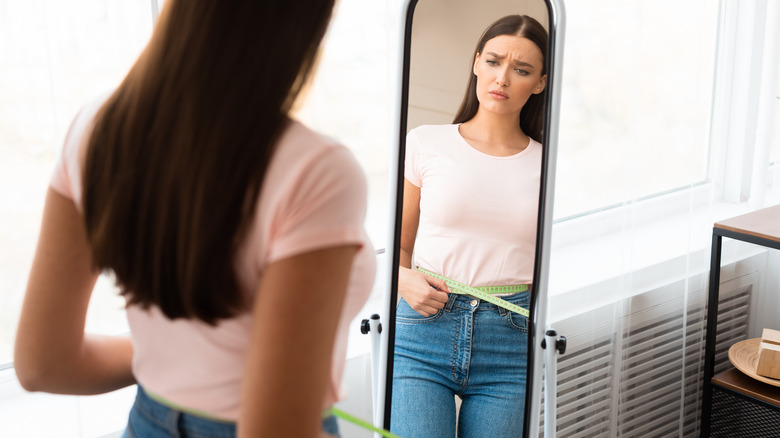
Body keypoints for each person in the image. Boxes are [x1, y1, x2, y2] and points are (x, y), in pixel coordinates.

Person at [13, 1, 375, 437]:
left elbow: (44, 363)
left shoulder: (96, 127)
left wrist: (178, 360)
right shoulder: (315, 170)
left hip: (147, 422)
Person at [390, 15, 547, 438]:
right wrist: (404, 281)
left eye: (521, 69)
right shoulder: (426, 142)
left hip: (510, 339)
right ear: (476, 63)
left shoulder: (548, 165)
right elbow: (398, 247)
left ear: (539, 83)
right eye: (494, 61)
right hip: (422, 331)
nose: (502, 78)